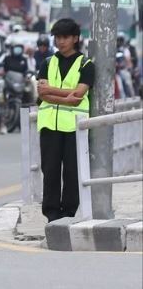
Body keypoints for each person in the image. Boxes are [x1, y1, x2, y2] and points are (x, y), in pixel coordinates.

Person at [36, 18, 94, 221]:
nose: (60, 41)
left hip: (75, 127)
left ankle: (68, 213)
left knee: (72, 172)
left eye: (65, 37)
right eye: (57, 37)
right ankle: (52, 215)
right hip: (49, 124)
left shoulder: (85, 64)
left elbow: (78, 97)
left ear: (75, 38)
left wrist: (51, 90)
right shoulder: (47, 63)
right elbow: (41, 95)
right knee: (50, 170)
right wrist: (64, 96)